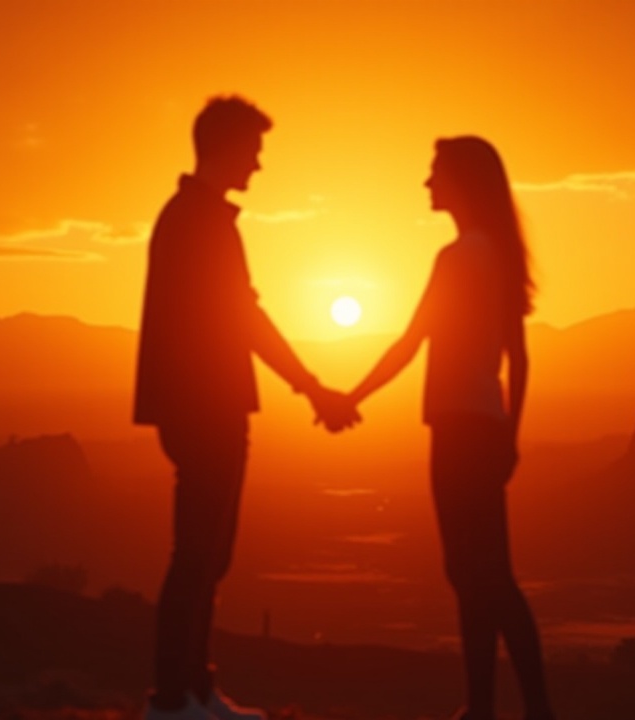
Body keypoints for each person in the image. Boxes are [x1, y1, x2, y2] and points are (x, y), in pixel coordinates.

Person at [134, 95, 359, 720]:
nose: (258, 166)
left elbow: (240, 316)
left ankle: (196, 691)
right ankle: (174, 700)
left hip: (206, 403)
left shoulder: (195, 218)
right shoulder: (199, 222)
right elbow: (245, 318)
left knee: (210, 555)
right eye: (254, 152)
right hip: (204, 405)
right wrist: (312, 387)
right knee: (197, 554)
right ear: (228, 149)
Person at [345, 136, 555, 720]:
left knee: (476, 574)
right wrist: (511, 436)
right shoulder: (499, 256)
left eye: (435, 172)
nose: (427, 183)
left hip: (458, 431)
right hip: (485, 428)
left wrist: (349, 398)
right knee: (483, 575)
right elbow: (520, 359)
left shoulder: (458, 257)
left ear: (461, 181)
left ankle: (507, 708)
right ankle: (499, 707)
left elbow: (410, 344)